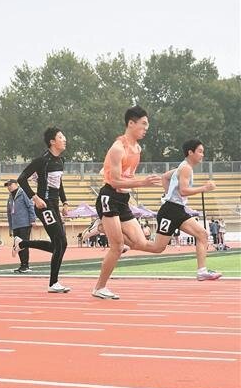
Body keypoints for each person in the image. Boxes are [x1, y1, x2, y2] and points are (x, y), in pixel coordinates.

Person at [91, 106, 166, 300]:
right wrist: (142, 183)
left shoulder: (137, 148)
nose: (146, 128)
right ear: (131, 123)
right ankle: (99, 287)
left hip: (123, 199)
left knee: (141, 243)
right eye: (143, 123)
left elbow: (126, 176)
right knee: (116, 247)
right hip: (109, 197)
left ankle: (107, 230)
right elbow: (115, 181)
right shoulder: (118, 148)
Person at [146, 140, 221, 281]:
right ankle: (126, 242)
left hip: (176, 209)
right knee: (157, 248)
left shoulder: (183, 167)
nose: (202, 155)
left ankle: (202, 271)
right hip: (170, 211)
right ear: (190, 152)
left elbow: (165, 177)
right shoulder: (186, 168)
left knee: (202, 235)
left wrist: (169, 196)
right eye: (200, 151)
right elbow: (184, 191)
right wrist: (204, 188)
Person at [13, 127, 72, 293]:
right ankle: (53, 283)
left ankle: (22, 243)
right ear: (52, 141)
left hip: (54, 204)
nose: (64, 139)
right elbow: (21, 179)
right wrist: (35, 197)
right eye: (61, 137)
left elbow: (59, 183)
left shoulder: (61, 160)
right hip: (44, 205)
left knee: (60, 245)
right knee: (60, 242)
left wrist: (65, 202)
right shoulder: (42, 160)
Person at [5, 178, 36, 272]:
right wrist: (10, 227)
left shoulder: (23, 193)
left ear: (16, 184)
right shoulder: (10, 197)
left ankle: (25, 265)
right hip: (16, 225)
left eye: (10, 185)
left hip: (24, 224)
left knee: (23, 244)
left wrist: (33, 220)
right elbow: (9, 213)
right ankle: (22, 264)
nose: (8, 187)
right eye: (7, 186)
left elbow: (30, 206)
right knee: (18, 246)